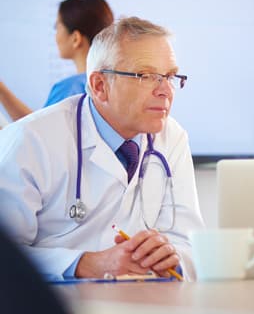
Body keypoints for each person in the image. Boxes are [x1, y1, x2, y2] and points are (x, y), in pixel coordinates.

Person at [0, 16, 205, 281]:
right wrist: (85, 263)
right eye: (146, 76)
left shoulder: (172, 137)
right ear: (100, 86)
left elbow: (189, 244)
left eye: (169, 76)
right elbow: (7, 256)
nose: (166, 90)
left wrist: (172, 257)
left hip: (147, 300)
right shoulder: (30, 140)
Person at [0, 0, 114, 121]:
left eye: (57, 27)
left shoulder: (70, 90)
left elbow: (38, 132)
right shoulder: (113, 85)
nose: (56, 36)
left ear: (76, 38)